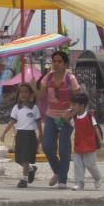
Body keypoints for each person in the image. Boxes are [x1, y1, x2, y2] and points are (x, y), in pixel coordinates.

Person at [35, 50, 81, 189]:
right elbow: (40, 96)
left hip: (66, 117)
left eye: (59, 61)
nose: (56, 64)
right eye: (54, 61)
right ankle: (58, 171)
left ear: (65, 64)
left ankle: (62, 180)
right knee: (47, 145)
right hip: (51, 116)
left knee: (63, 148)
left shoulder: (70, 78)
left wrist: (71, 112)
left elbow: (78, 98)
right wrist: (32, 86)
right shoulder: (47, 78)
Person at [0, 83, 42, 188]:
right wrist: (4, 133)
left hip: (30, 135)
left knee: (26, 158)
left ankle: (24, 179)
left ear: (31, 94)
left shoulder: (34, 108)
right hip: (20, 135)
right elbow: (12, 121)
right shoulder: (16, 108)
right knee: (19, 159)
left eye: (26, 92)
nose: (24, 94)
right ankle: (31, 169)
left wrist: (41, 134)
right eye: (21, 92)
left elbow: (38, 123)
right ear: (18, 95)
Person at [66, 93, 102, 190]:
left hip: (89, 145)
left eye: (74, 105)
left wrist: (100, 140)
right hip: (78, 145)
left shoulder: (89, 116)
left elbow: (95, 128)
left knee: (90, 164)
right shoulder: (74, 117)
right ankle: (79, 183)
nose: (72, 107)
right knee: (77, 164)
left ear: (82, 106)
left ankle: (97, 178)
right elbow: (71, 125)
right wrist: (66, 117)